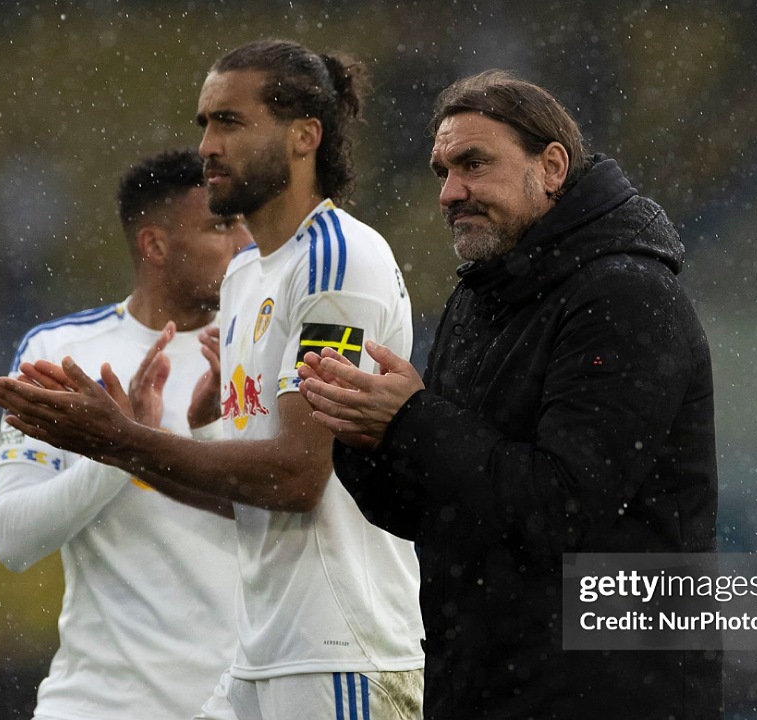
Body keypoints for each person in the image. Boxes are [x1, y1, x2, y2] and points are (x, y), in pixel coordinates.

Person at [0, 40, 425, 720]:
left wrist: (121, 441)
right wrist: (129, 443)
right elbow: (249, 501)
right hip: (260, 655)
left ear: (304, 136)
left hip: (337, 649)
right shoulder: (250, 278)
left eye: (230, 122)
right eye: (204, 124)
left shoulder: (339, 259)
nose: (208, 146)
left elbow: (297, 479)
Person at [298, 70, 721, 719]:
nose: (449, 193)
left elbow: (562, 507)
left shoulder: (626, 297)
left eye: (473, 164)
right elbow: (431, 511)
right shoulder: (481, 296)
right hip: (483, 682)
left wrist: (410, 419)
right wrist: (361, 432)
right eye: (442, 170)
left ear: (551, 167)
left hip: (608, 692)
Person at [0, 148, 249, 720]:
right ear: (154, 246)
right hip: (100, 705)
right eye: (219, 227)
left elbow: (289, 508)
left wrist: (139, 444)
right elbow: (12, 539)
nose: (242, 244)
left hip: (241, 703)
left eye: (241, 224)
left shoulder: (263, 351)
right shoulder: (62, 354)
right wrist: (117, 448)